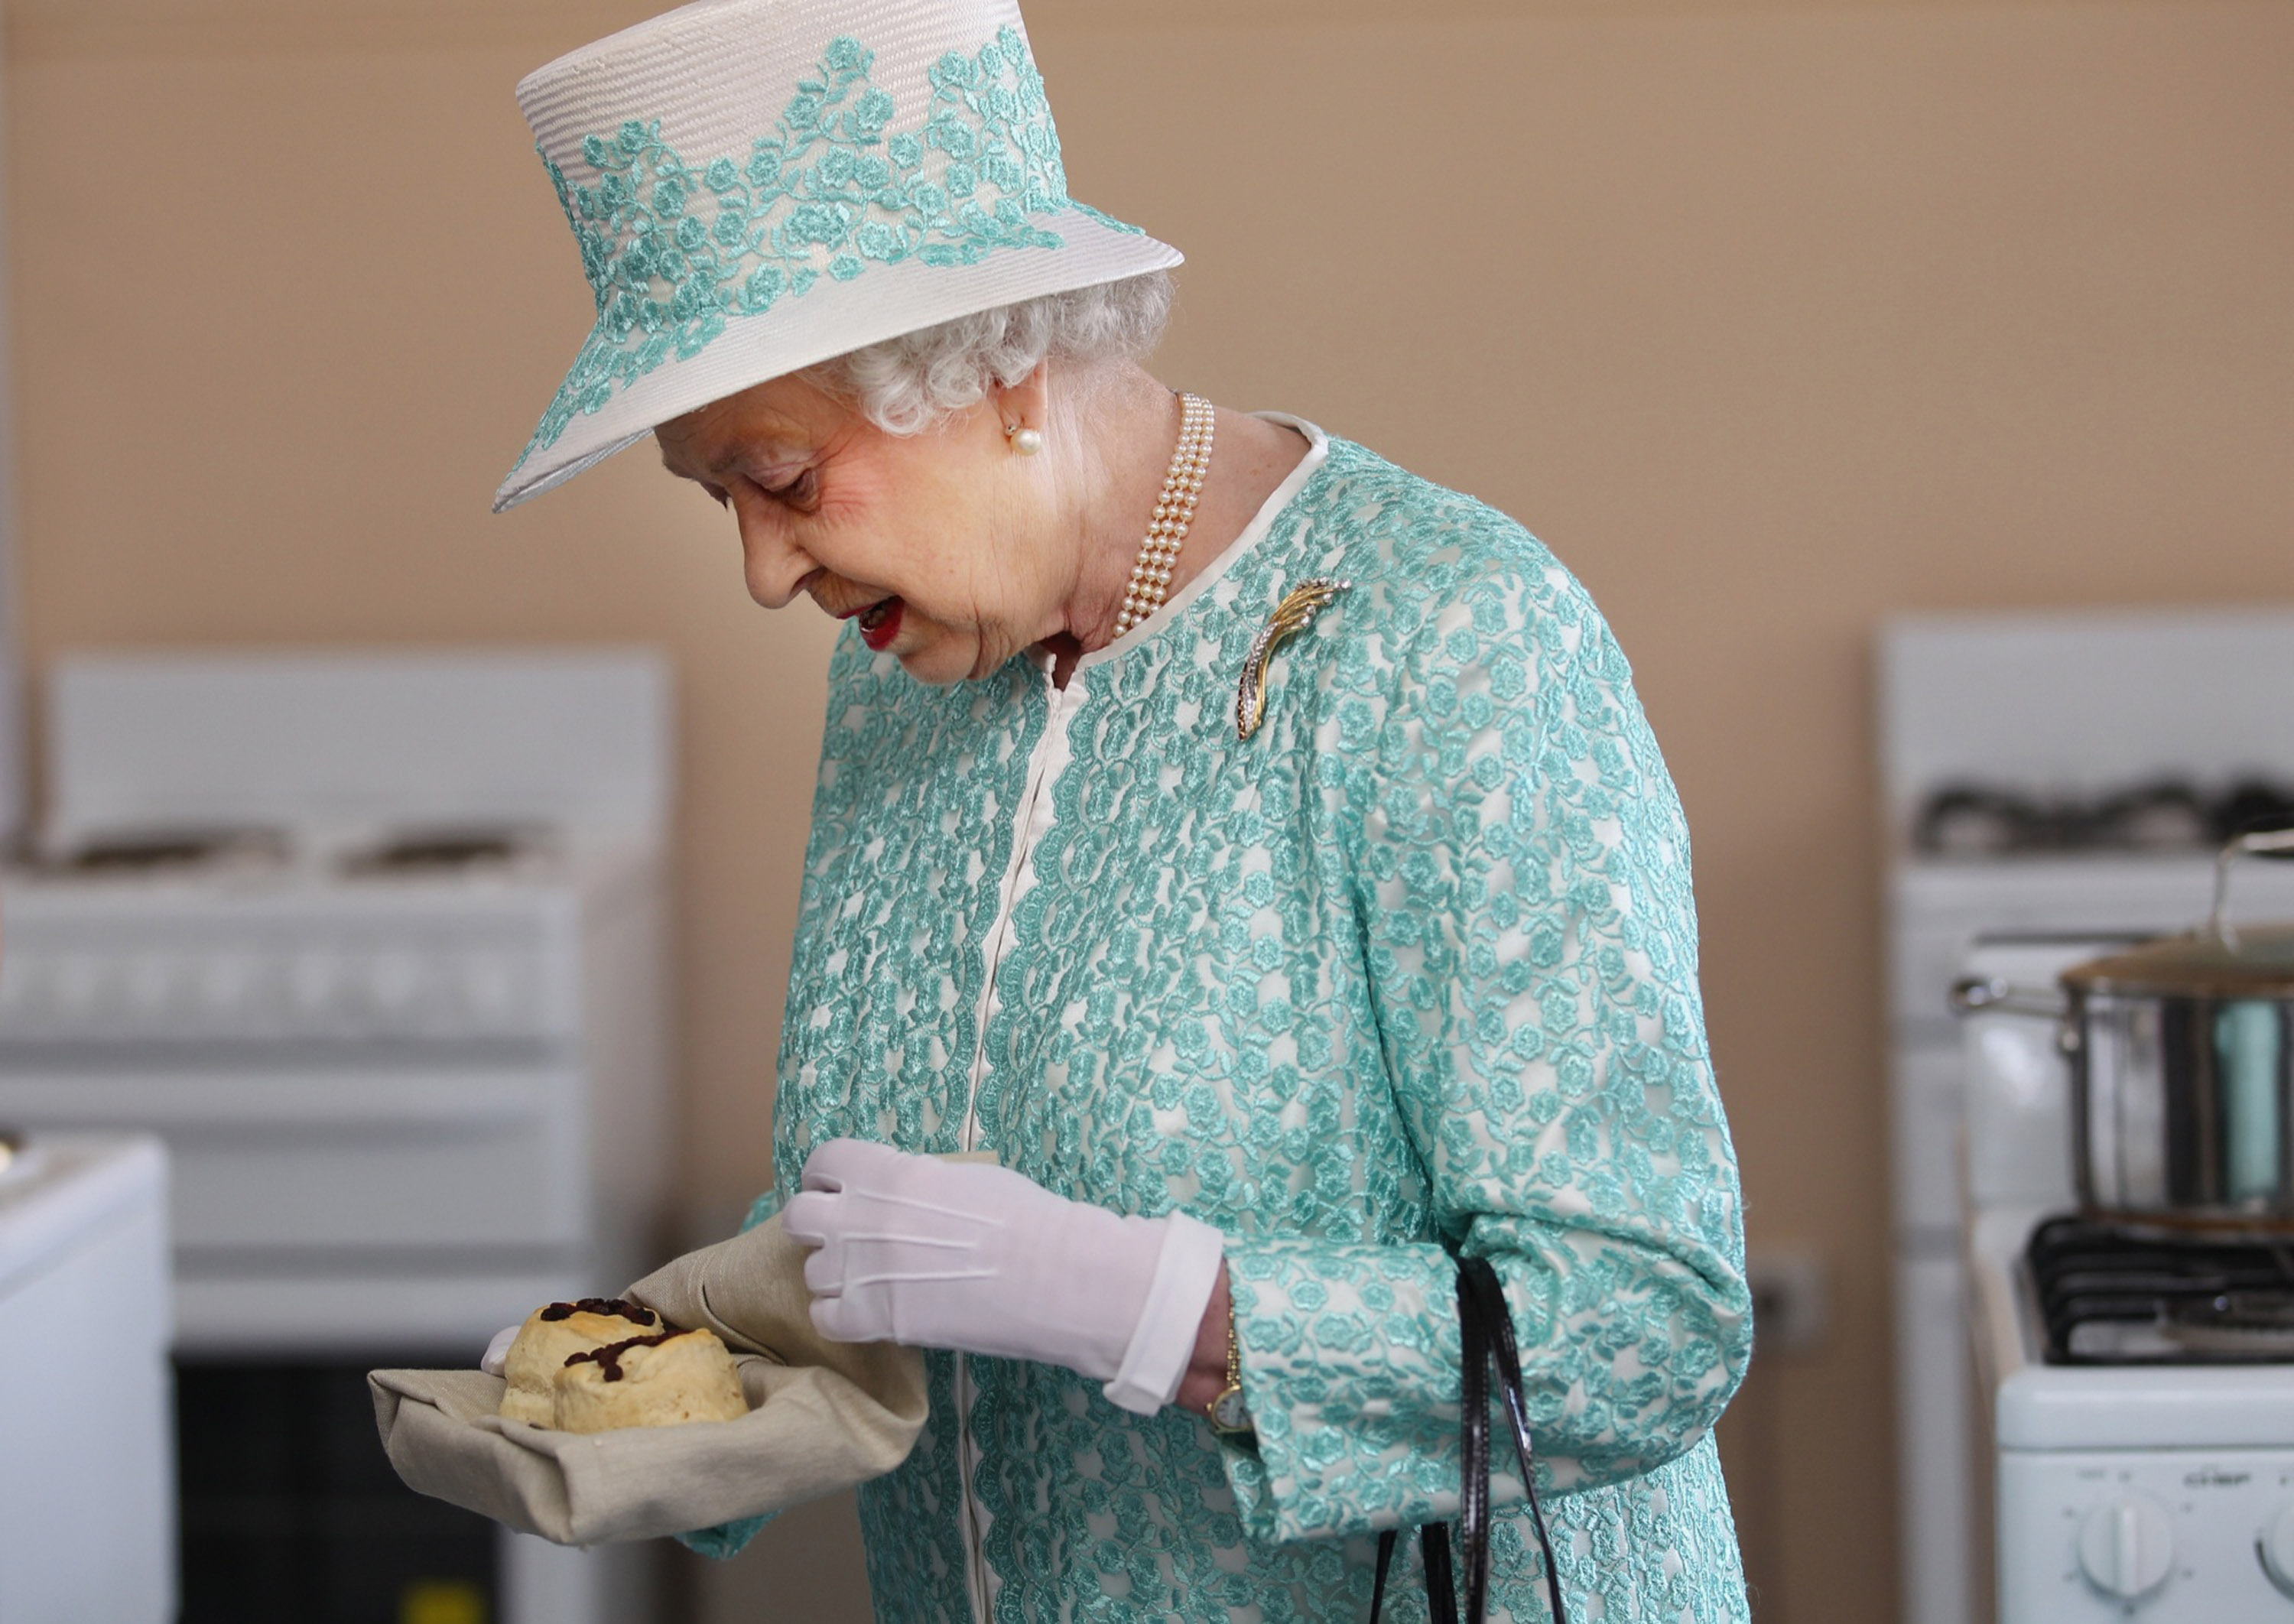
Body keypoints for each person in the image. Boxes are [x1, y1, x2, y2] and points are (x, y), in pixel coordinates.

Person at [495, 1, 1753, 1618]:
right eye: (715, 495)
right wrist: (666, 1357)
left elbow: (1644, 1323)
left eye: (787, 480)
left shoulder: (1448, 635)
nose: (760, 570)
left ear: (1008, 364)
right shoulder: (897, 683)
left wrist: (1150, 1304)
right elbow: (923, 1222)